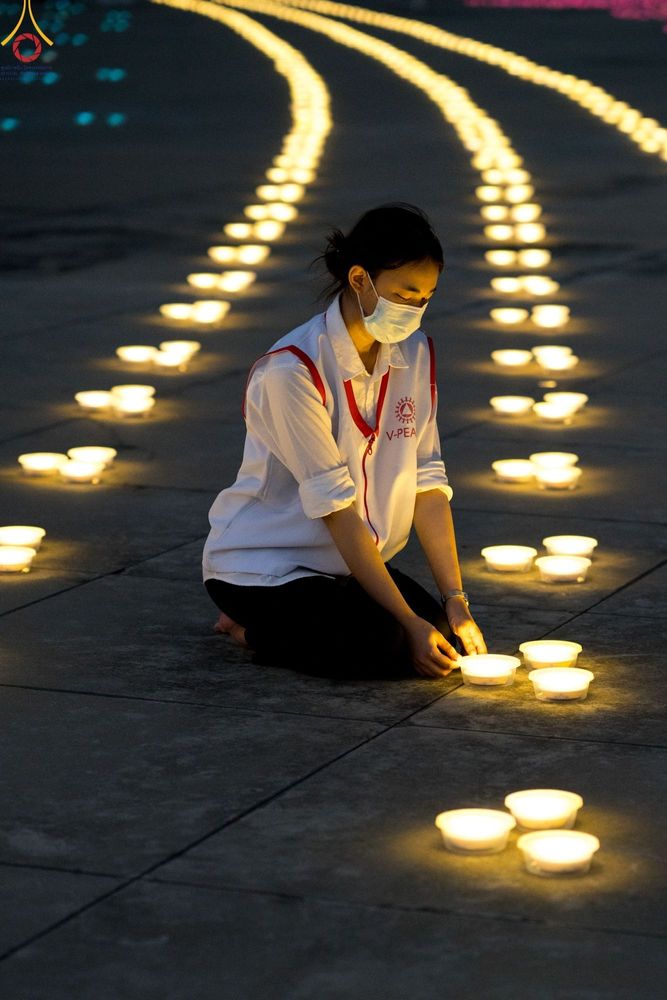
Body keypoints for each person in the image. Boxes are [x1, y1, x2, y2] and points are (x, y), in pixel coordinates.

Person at [203, 203, 486, 679]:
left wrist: (455, 600)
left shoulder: (414, 354)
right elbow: (336, 509)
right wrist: (406, 621)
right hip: (266, 567)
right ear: (359, 279)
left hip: (345, 566)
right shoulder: (293, 370)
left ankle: (327, 622)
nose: (415, 310)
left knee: (446, 638)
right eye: (404, 294)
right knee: (384, 645)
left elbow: (428, 482)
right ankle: (246, 627)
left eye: (426, 298)